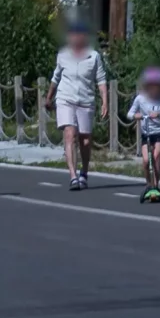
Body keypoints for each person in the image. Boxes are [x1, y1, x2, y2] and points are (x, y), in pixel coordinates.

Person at [50, 20, 111, 191]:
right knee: (70, 134)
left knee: (85, 140)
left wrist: (105, 101)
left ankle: (84, 172)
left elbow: (101, 80)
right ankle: (73, 176)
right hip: (65, 98)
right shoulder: (63, 54)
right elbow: (56, 77)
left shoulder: (94, 56)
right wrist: (49, 97)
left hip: (86, 100)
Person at [128, 68, 160, 203]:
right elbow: (129, 114)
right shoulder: (140, 98)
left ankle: (156, 185)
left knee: (155, 156)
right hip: (147, 132)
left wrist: (159, 115)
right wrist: (136, 116)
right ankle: (149, 184)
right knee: (146, 160)